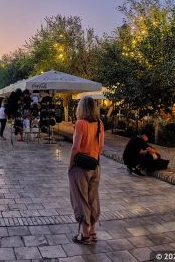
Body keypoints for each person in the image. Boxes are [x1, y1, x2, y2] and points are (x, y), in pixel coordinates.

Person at [68, 96, 104, 245]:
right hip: (95, 165)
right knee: (93, 198)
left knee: (80, 199)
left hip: (81, 167)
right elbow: (101, 146)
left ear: (81, 108)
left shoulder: (80, 123)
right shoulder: (99, 123)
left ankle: (85, 234)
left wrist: (70, 165)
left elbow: (76, 147)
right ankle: (93, 232)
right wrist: (95, 159)